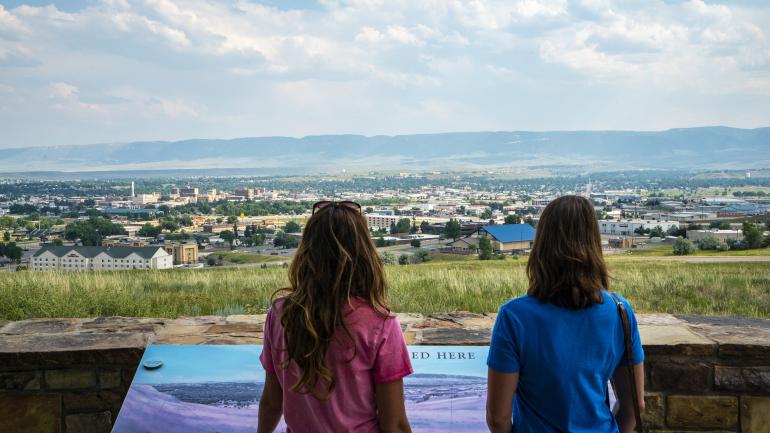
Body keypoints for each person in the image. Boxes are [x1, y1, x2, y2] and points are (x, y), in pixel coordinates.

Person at [486, 195, 645, 433]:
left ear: (542, 244)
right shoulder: (620, 311)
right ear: (593, 242)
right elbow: (634, 405)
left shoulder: (514, 316)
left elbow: (498, 417)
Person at [257, 200, 413, 433]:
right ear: (364, 253)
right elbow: (395, 425)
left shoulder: (280, 315)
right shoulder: (380, 325)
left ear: (307, 250)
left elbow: (271, 403)